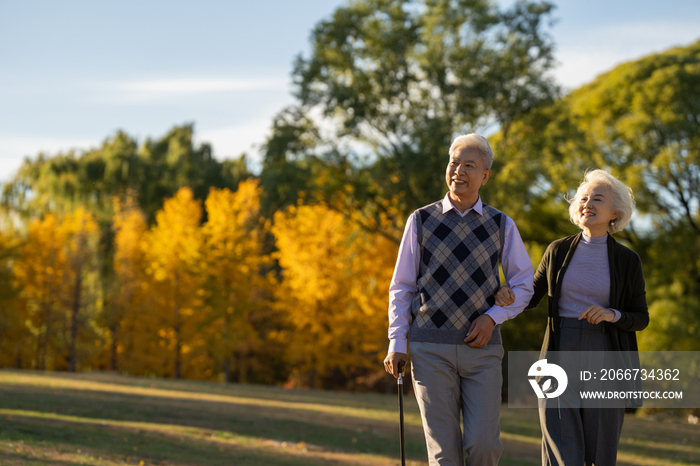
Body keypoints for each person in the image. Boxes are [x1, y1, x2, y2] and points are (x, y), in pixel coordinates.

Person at [383, 134, 534, 466]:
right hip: (429, 349)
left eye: (470, 165)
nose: (459, 171)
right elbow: (402, 287)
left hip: (482, 351)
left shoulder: (501, 224)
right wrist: (397, 341)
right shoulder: (420, 220)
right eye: (454, 163)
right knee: (444, 454)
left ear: (486, 175)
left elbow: (525, 284)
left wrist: (494, 316)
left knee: (484, 445)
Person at [496, 169, 649, 466]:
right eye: (583, 198)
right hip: (559, 351)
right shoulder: (558, 250)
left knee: (600, 452)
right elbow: (530, 295)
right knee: (561, 448)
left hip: (605, 355)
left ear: (615, 211)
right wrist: (508, 294)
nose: (587, 203)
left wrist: (611, 314)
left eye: (597, 199)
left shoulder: (628, 261)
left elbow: (640, 317)